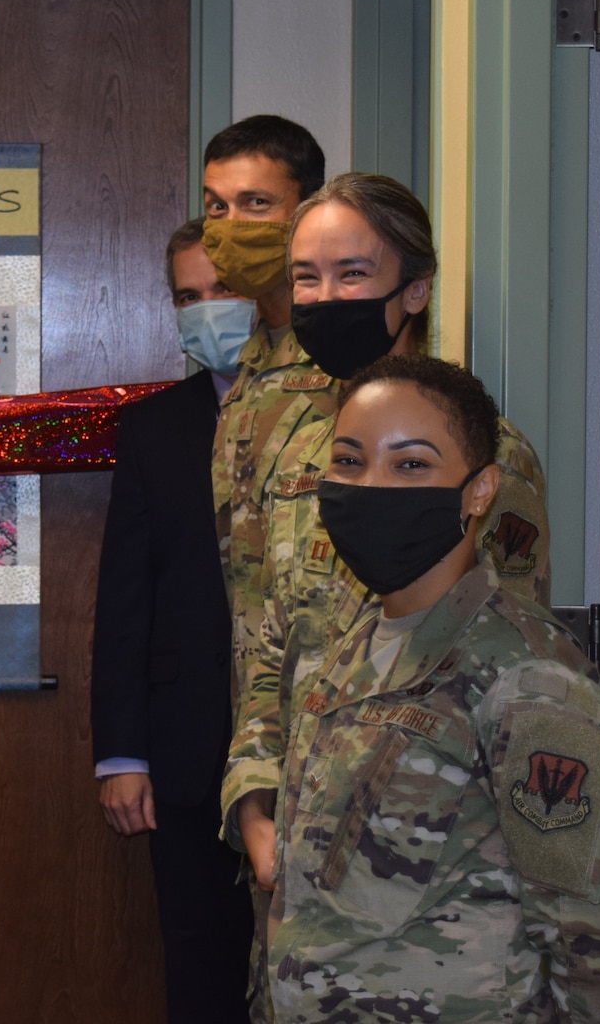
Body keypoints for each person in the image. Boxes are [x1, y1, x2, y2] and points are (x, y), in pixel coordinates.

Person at [267, 354, 600, 1020]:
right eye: (350, 461)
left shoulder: (525, 673)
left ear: (479, 492)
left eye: (411, 464)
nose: (372, 486)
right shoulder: (355, 640)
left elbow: (599, 938)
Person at [224, 173, 550, 902]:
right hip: (292, 835)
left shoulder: (485, 456)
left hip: (427, 853)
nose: (325, 298)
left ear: (414, 290)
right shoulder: (291, 442)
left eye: (354, 273)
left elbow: (516, 659)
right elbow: (264, 638)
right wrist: (252, 792)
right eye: (306, 277)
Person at [91, 218, 254, 1022]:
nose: (206, 311)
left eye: (222, 291)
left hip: (312, 752)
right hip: (189, 754)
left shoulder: (348, 415)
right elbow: (127, 598)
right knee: (201, 969)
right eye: (187, 296)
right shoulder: (155, 428)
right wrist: (121, 752)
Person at [200, 113, 332, 1020]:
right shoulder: (252, 372)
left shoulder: (355, 377)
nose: (230, 226)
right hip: (262, 741)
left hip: (336, 744)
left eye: (256, 205)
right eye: (214, 206)